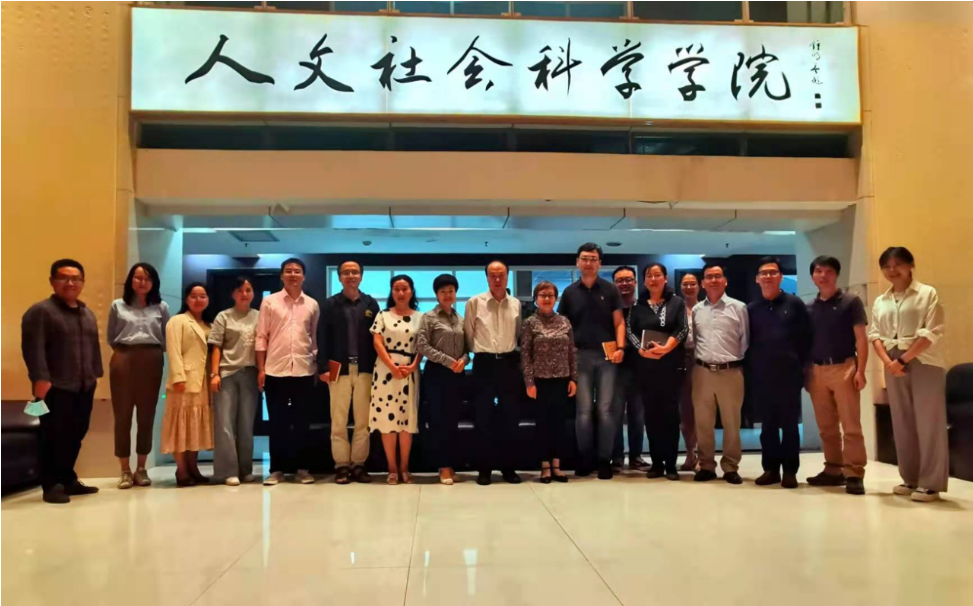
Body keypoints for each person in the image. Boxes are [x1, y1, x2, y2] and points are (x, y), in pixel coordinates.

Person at [868, 247, 947, 502]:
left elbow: (931, 332)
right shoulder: (881, 300)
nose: (892, 270)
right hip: (892, 362)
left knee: (929, 423)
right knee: (902, 422)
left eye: (898, 264)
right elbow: (875, 335)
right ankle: (910, 478)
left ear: (911, 265)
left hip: (923, 361)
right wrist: (889, 362)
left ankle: (931, 483)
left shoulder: (927, 293)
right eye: (887, 266)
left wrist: (903, 359)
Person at [21, 259, 103, 504]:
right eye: (64, 278)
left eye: (76, 278)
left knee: (76, 434)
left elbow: (94, 346)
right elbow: (33, 348)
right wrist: (39, 378)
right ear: (52, 281)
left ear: (82, 282)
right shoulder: (41, 312)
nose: (70, 283)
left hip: (84, 386)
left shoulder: (87, 313)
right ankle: (51, 484)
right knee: (52, 436)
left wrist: (95, 373)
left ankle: (67, 479)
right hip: (54, 387)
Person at [557, 243, 626, 480]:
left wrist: (621, 348)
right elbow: (562, 328)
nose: (589, 263)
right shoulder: (569, 293)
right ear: (577, 262)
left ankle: (604, 460)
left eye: (593, 259)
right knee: (584, 411)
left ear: (600, 263)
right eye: (585, 258)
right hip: (579, 356)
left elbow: (619, 322)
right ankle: (585, 459)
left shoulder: (610, 289)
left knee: (606, 410)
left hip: (608, 356)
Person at [805, 256, 869, 496]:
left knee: (851, 425)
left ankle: (854, 473)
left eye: (829, 271)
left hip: (845, 367)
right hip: (816, 370)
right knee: (826, 426)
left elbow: (861, 338)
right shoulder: (809, 308)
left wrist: (861, 371)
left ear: (836, 275)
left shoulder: (851, 302)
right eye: (818, 271)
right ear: (813, 276)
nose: (823, 275)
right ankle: (833, 469)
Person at [747, 257, 811, 489]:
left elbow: (806, 339)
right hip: (762, 376)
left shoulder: (795, 304)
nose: (768, 276)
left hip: (789, 375)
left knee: (790, 426)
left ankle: (790, 471)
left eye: (773, 272)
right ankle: (771, 469)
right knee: (768, 427)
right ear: (757, 279)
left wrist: (801, 367)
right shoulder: (751, 309)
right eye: (763, 273)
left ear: (781, 277)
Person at [256, 258, 320, 486]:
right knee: (277, 423)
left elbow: (314, 338)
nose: (293, 275)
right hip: (275, 370)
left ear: (304, 276)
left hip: (304, 369)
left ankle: (303, 469)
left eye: (297, 271)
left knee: (303, 422)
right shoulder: (269, 302)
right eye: (289, 271)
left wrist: (315, 365)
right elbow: (261, 336)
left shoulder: (312, 304)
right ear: (282, 276)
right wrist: (261, 369)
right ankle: (277, 470)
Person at [107, 262, 169, 489]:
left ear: (154, 282)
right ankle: (124, 470)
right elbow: (111, 337)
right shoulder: (117, 305)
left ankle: (141, 468)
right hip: (123, 357)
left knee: (146, 416)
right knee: (122, 416)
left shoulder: (161, 307)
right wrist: (126, 353)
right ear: (130, 280)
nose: (142, 282)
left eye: (147, 278)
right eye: (138, 277)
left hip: (152, 359)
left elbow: (166, 338)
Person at [318, 260, 379, 485]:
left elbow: (378, 338)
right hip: (338, 368)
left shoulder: (370, 303)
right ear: (339, 277)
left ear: (361, 276)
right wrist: (323, 367)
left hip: (365, 368)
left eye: (355, 272)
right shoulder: (330, 304)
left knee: (363, 420)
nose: (351, 275)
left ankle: (358, 464)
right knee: (338, 420)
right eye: (346, 272)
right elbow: (322, 336)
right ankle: (342, 465)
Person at [464, 260, 523, 486]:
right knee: (483, 417)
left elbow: (518, 335)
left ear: (507, 276)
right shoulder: (474, 302)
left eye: (501, 275)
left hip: (509, 363)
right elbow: (468, 334)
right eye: (493, 275)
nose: (497, 279)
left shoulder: (516, 304)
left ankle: (509, 468)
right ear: (487, 278)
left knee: (510, 417)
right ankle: (484, 469)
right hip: (484, 363)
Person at [691, 263, 749, 484]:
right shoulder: (697, 310)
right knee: (703, 423)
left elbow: (745, 340)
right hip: (702, 372)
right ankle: (706, 465)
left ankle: (730, 466)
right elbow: (695, 340)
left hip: (730, 372)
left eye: (717, 276)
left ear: (725, 280)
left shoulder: (739, 307)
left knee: (731, 422)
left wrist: (730, 360)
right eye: (709, 277)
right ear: (703, 283)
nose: (713, 280)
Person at [630, 264, 688, 481]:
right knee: (652, 416)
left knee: (671, 416)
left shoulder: (677, 303)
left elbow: (682, 328)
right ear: (644, 281)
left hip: (671, 366)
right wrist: (641, 350)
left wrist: (666, 348)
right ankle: (656, 463)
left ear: (665, 278)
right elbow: (630, 331)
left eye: (657, 275)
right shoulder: (637, 305)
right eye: (649, 276)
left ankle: (671, 463)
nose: (653, 279)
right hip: (646, 368)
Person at [521, 281, 578, 484]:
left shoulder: (564, 321)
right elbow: (525, 354)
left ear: (556, 298)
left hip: (562, 380)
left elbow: (572, 351)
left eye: (550, 295)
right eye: (543, 295)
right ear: (536, 299)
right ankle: (544, 466)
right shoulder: (530, 323)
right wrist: (529, 382)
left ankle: (557, 465)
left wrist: (573, 378)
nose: (547, 299)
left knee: (559, 425)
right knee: (543, 425)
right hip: (539, 382)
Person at [370, 275, 424, 485]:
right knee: (388, 422)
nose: (401, 293)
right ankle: (392, 468)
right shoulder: (383, 315)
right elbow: (377, 343)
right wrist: (392, 366)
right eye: (396, 289)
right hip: (385, 372)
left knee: (407, 422)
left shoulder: (421, 317)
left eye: (405, 288)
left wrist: (413, 365)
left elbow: (423, 345)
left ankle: (404, 468)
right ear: (391, 292)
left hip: (410, 370)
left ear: (412, 291)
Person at [416, 274, 469, 486]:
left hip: (457, 374)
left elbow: (468, 347)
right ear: (436, 295)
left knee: (453, 421)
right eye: (443, 291)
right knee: (438, 421)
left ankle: (451, 464)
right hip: (437, 374)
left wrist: (464, 360)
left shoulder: (461, 319)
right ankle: (443, 466)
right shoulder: (428, 317)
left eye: (451, 291)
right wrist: (448, 361)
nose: (447, 295)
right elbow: (422, 345)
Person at [161, 282, 214, 487]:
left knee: (195, 427)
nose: (198, 300)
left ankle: (193, 468)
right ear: (186, 299)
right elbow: (173, 351)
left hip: (203, 381)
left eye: (202, 296)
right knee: (180, 426)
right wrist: (178, 378)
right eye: (194, 296)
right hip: (183, 381)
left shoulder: (209, 324)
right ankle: (181, 471)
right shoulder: (177, 321)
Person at [209, 277, 260, 486]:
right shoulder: (224, 316)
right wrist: (214, 374)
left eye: (248, 290)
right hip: (227, 373)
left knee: (246, 424)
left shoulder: (259, 316)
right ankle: (228, 471)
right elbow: (216, 346)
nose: (244, 294)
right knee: (225, 423)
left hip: (251, 373)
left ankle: (245, 469)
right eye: (239, 290)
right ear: (233, 294)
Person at [611, 266, 649, 472]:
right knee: (615, 414)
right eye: (619, 280)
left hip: (639, 368)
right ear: (614, 284)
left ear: (635, 282)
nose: (624, 284)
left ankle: (636, 456)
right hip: (614, 369)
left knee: (637, 414)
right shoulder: (609, 308)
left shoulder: (644, 307)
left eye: (628, 280)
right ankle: (617, 456)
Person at [678, 273, 701, 471]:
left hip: (702, 359)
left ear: (699, 286)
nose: (689, 287)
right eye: (685, 284)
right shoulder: (676, 310)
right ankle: (689, 453)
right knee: (686, 411)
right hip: (682, 360)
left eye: (692, 283)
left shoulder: (705, 308)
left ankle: (703, 455)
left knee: (702, 409)